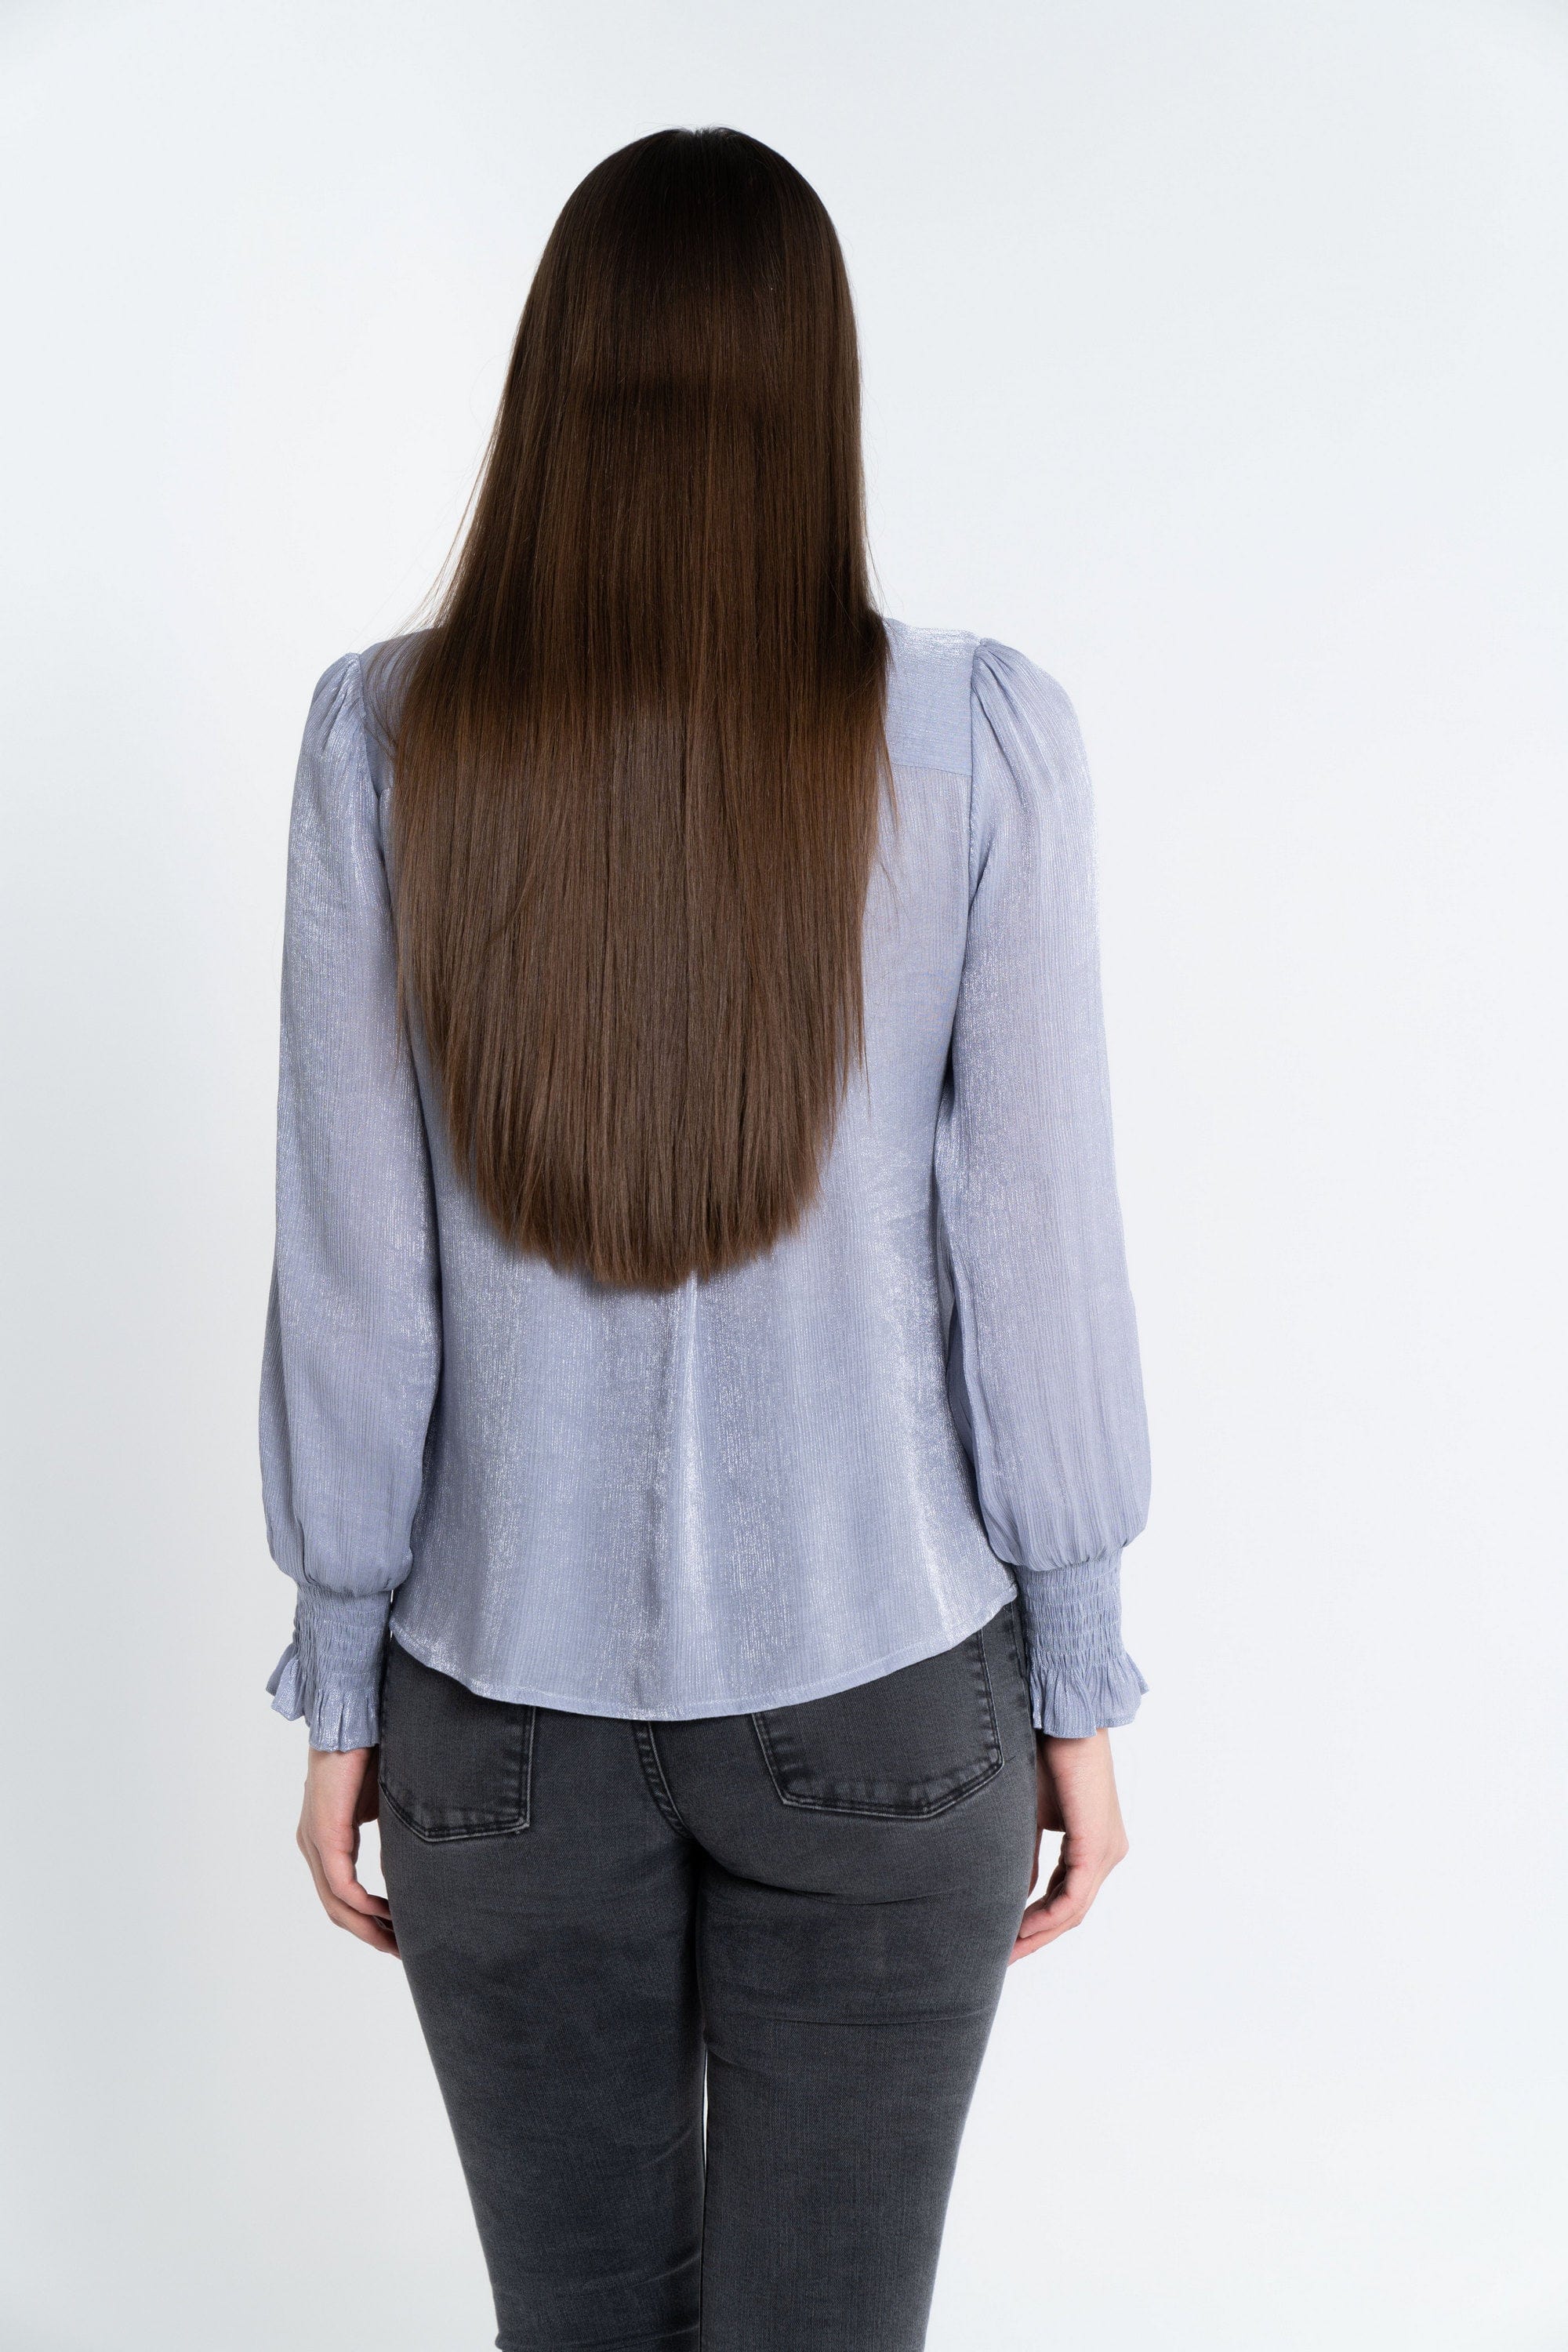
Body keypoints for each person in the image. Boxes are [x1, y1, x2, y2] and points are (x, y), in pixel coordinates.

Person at [260, 125, 1150, 2352]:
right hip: (891, 1688)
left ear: (554, 386)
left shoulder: (390, 741)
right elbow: (1036, 1256)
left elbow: (359, 1278)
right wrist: (1080, 1673)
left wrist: (344, 1676)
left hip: (497, 1712)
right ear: (815, 392)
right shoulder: (975, 742)